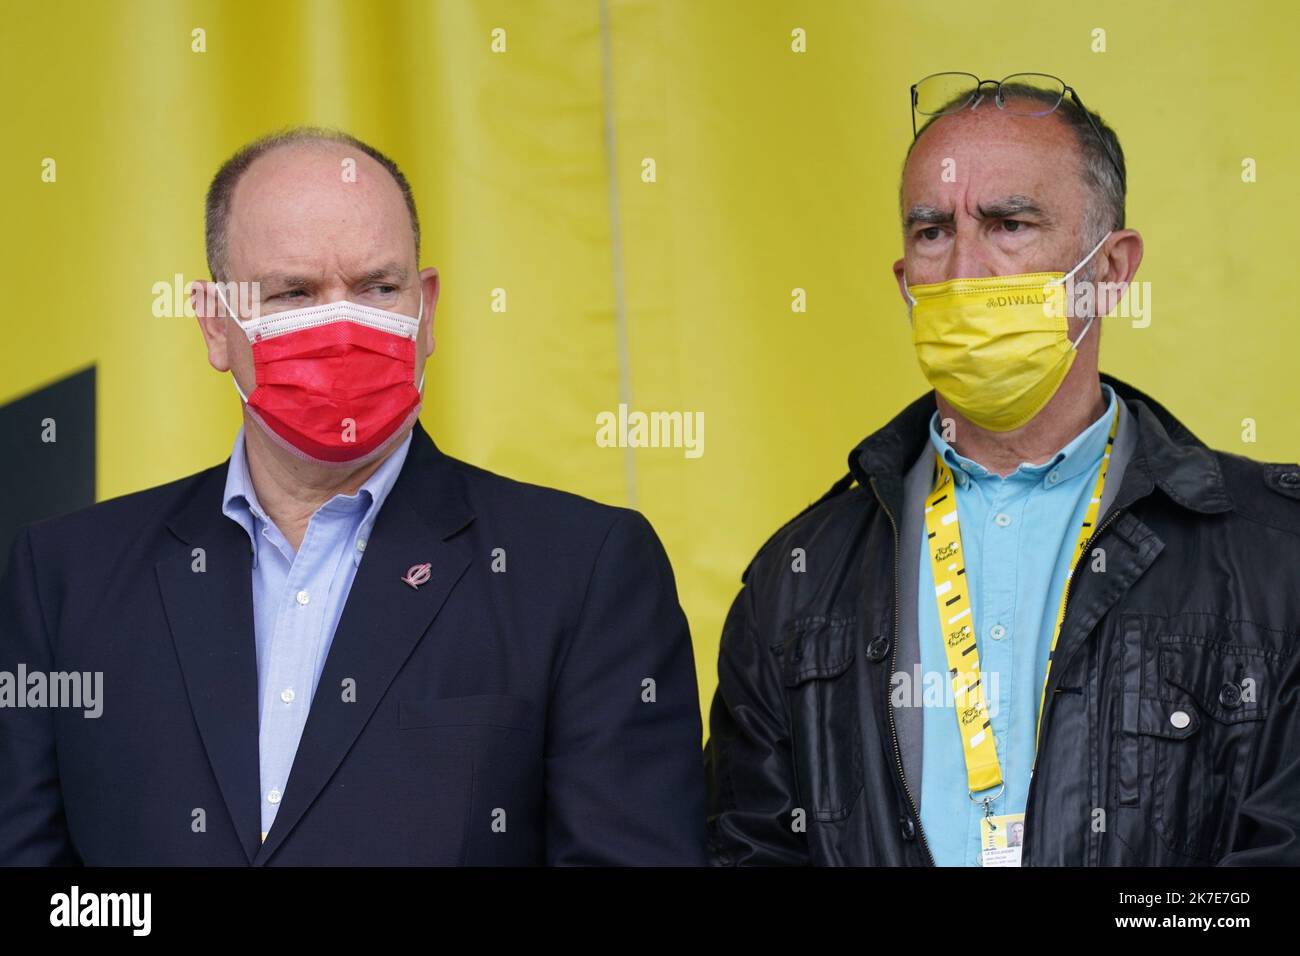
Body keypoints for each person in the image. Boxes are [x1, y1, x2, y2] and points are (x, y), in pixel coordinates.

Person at [0, 127, 707, 866]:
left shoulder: (580, 571)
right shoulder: (64, 580)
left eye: (377, 287)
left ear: (425, 309)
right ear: (215, 323)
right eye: (294, 292)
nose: (342, 326)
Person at [705, 74, 1300, 866]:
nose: (962, 271)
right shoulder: (796, 578)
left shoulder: (1275, 553)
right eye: (931, 232)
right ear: (903, 280)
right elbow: (749, 852)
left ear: (1112, 270)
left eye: (1008, 224)